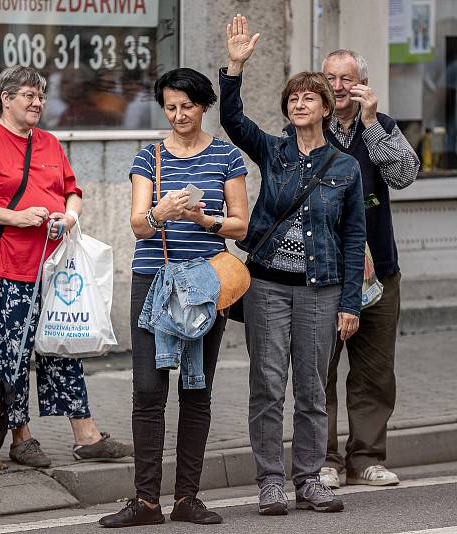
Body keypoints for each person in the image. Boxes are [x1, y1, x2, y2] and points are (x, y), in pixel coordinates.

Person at [0, 65, 132, 468]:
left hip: (56, 270)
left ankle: (86, 436)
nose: (37, 103)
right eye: (28, 96)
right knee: (13, 356)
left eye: (41, 96)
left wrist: (68, 217)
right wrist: (16, 219)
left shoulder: (49, 142)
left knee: (63, 348)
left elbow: (73, 192)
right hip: (12, 268)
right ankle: (19, 437)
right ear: (6, 98)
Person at [219, 15, 366, 515]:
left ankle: (308, 478)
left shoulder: (345, 167)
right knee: (267, 386)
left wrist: (350, 303)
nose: (299, 104)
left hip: (321, 291)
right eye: (293, 99)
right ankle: (270, 481)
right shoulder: (274, 151)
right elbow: (234, 122)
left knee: (311, 388)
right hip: (266, 288)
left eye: (309, 98)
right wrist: (235, 67)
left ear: (326, 107)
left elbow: (353, 237)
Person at [99, 68, 249, 528]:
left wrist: (207, 220)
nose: (179, 115)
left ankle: (188, 497)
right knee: (147, 390)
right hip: (154, 281)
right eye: (170, 107)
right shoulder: (149, 157)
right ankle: (146, 500)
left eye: (187, 106)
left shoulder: (226, 156)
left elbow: (241, 225)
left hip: (206, 283)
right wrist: (159, 213)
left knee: (195, 389)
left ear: (203, 106)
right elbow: (139, 225)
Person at [315, 49, 419, 489]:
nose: (338, 87)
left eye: (347, 79)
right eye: (330, 78)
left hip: (378, 275)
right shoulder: (305, 127)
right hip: (321, 275)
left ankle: (368, 458)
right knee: (319, 373)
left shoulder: (382, 126)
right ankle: (324, 460)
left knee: (374, 372)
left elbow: (405, 175)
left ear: (362, 85)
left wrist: (374, 125)